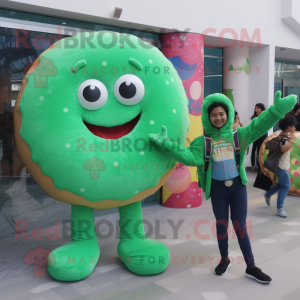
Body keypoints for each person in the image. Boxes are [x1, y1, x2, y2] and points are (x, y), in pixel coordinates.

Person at [149, 91, 296, 284]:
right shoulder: (202, 142)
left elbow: (259, 124)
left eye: (221, 113)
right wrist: (166, 145)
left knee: (240, 226)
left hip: (237, 188)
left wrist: (276, 111)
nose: (218, 118)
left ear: (228, 114)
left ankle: (251, 266)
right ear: (207, 117)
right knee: (221, 225)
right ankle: (224, 259)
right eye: (213, 115)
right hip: (218, 189)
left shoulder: (240, 135)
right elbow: (188, 157)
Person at [263, 114, 297, 217]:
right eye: (293, 125)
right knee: (285, 186)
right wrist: (292, 140)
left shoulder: (283, 135)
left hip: (281, 166)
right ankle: (280, 209)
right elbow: (283, 149)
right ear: (288, 126)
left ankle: (268, 194)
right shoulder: (284, 138)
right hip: (281, 166)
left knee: (282, 184)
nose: (295, 127)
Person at [250, 103, 267, 172]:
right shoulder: (253, 117)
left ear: (262, 109)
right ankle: (253, 167)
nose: (256, 110)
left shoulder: (264, 116)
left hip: (262, 136)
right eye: (255, 108)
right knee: (253, 150)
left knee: (260, 151)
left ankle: (260, 167)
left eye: (258, 108)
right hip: (255, 136)